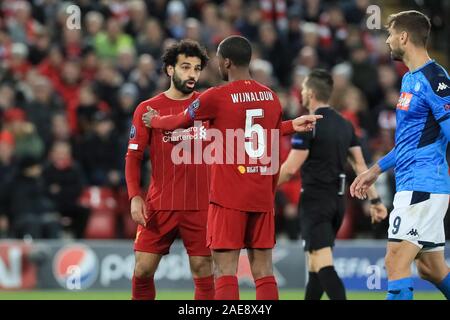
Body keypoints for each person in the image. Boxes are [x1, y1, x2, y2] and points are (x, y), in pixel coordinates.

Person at [145, 35, 321, 300]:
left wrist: (155, 120)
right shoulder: (271, 97)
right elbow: (262, 135)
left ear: (226, 62)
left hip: (229, 197)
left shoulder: (216, 96)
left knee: (225, 270)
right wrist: (290, 125)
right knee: (263, 270)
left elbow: (180, 121)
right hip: (262, 196)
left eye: (217, 58)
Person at [350, 11, 450, 300]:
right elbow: (408, 142)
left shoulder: (435, 78)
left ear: (404, 37)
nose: (388, 41)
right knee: (431, 269)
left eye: (391, 35)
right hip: (413, 184)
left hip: (423, 185)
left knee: (395, 261)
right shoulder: (409, 80)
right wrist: (374, 170)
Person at [277, 69, 388, 300]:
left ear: (311, 93)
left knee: (323, 266)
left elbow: (289, 170)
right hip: (337, 204)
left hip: (315, 202)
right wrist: (376, 200)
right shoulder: (345, 125)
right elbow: (360, 166)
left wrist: (259, 186)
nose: (301, 96)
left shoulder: (308, 124)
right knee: (315, 268)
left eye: (304, 91)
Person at [125, 40, 215, 300]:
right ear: (169, 70)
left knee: (202, 269)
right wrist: (134, 196)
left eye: (197, 69)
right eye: (185, 67)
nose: (192, 74)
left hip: (201, 205)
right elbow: (133, 156)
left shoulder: (208, 105)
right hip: (161, 203)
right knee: (142, 269)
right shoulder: (147, 109)